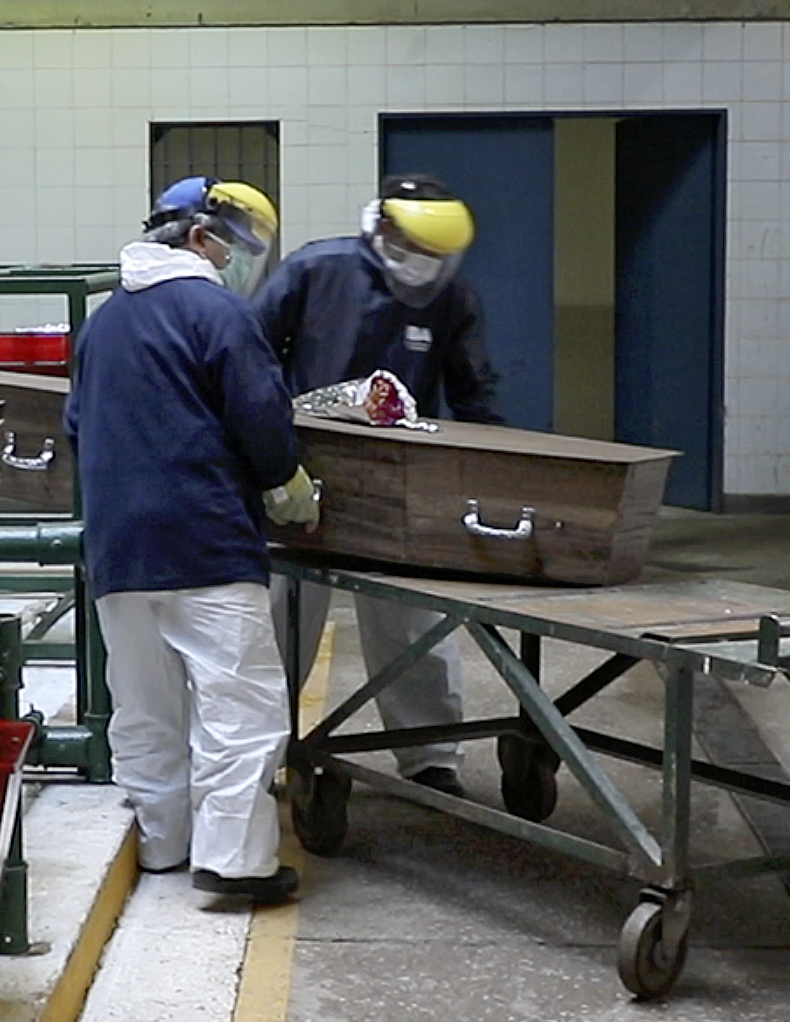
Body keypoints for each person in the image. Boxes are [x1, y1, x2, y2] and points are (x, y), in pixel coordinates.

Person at [64, 176, 320, 905]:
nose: (246, 263)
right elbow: (260, 420)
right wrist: (287, 485)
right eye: (241, 247)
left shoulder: (102, 322)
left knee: (145, 705)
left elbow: (77, 427)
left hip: (118, 550)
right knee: (238, 704)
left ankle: (161, 843)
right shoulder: (217, 312)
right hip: (205, 541)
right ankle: (235, 863)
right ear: (198, 238)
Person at [254, 174, 499, 800]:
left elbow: (475, 392)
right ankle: (259, 756)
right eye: (420, 248)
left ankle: (430, 758)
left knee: (411, 621)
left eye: (440, 255)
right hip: (298, 468)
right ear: (384, 228)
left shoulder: (451, 296)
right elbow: (246, 356)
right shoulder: (318, 270)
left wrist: (488, 475)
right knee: (279, 619)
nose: (428, 265)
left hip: (398, 478)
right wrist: (261, 455)